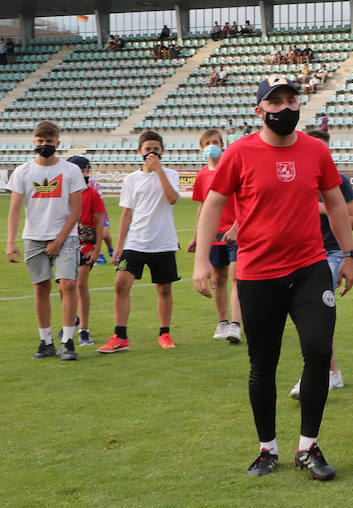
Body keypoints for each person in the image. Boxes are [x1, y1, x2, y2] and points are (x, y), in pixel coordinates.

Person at [192, 76, 353, 480]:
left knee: (318, 351)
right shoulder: (239, 153)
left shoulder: (316, 151)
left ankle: (308, 447)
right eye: (276, 101)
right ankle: (267, 449)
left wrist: (349, 254)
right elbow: (213, 205)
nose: (285, 107)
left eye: (291, 99)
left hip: (309, 269)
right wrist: (201, 260)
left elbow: (336, 203)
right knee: (262, 364)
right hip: (258, 273)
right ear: (259, 110)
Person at [289, 128, 353, 397]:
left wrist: (322, 206)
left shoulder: (338, 182)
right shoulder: (295, 178)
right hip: (298, 254)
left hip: (330, 254)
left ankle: (323, 375)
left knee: (314, 315)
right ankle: (331, 374)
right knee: (310, 317)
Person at [6, 121, 84, 360]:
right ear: (34, 142)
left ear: (58, 143)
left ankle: (68, 341)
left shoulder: (70, 171)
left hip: (65, 236)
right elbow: (15, 209)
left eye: (49, 141)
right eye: (40, 141)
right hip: (34, 237)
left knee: (68, 285)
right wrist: (11, 242)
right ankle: (46, 342)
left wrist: (59, 240)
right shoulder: (23, 171)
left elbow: (76, 210)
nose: (44, 145)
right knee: (41, 288)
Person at [99, 131, 180, 353]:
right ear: (139, 152)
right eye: (147, 149)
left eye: (156, 149)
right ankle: (120, 336)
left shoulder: (171, 174)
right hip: (135, 243)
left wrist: (159, 171)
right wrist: (119, 244)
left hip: (163, 242)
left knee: (163, 289)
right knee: (120, 284)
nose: (151, 152)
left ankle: (164, 333)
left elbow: (172, 199)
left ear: (162, 151)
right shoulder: (131, 179)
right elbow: (126, 213)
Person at [188, 129, 242, 343]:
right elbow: (203, 207)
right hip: (214, 234)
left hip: (235, 233)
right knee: (218, 279)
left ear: (223, 145)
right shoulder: (202, 175)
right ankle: (223, 322)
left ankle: (236, 326)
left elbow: (243, 202)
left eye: (216, 142)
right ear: (202, 148)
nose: (212, 145)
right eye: (208, 142)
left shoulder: (232, 170)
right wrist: (196, 237)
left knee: (236, 276)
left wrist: (237, 227)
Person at [66, 156, 107, 347]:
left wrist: (97, 249)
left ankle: (84, 329)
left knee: (81, 284)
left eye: (85, 170)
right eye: (82, 170)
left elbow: (99, 223)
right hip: (65, 244)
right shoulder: (62, 192)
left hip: (86, 245)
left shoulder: (91, 193)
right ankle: (72, 319)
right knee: (65, 286)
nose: (84, 174)